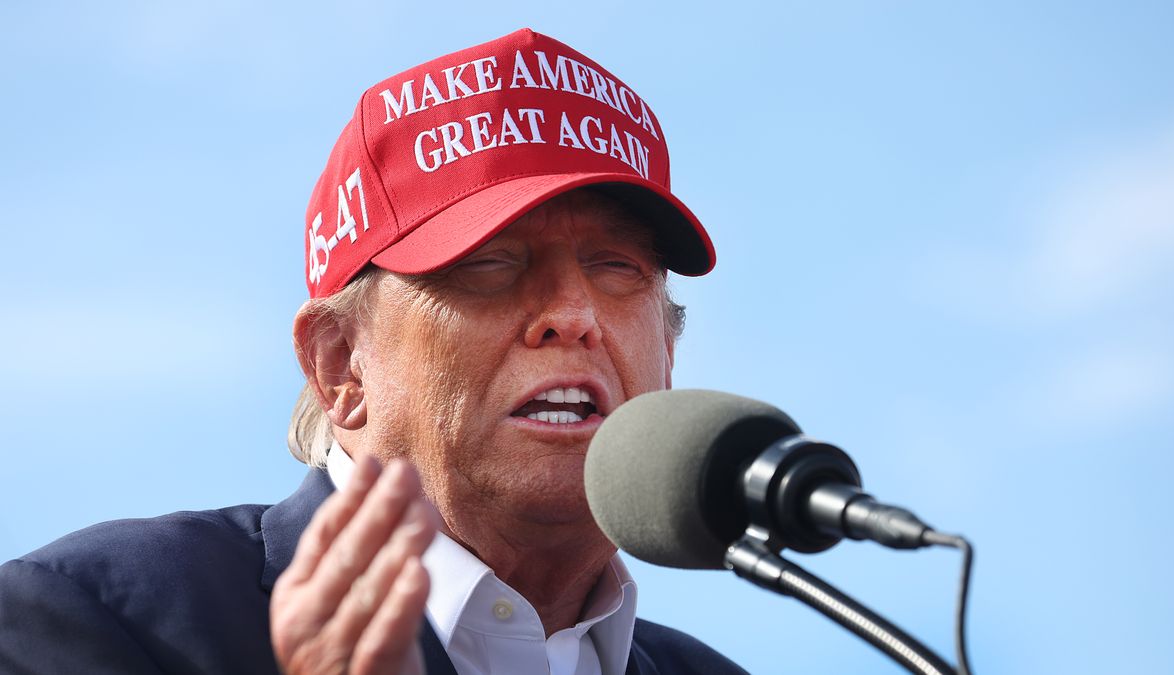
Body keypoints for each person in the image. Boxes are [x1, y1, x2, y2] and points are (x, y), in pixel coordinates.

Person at [0, 29, 745, 675]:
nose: (573, 314)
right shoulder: (91, 617)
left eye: (618, 266)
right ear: (340, 363)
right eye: (490, 263)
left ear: (669, 355)